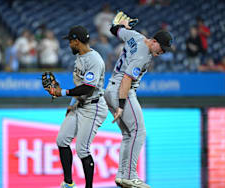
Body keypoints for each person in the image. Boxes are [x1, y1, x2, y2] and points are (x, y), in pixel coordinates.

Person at [104, 15, 174, 188]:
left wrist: (121, 25)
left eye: (165, 50)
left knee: (129, 135)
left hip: (111, 89)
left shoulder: (134, 35)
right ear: (154, 41)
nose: (162, 52)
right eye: (161, 47)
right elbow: (127, 80)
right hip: (123, 91)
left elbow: (114, 30)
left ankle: (122, 175)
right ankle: (130, 175)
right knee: (139, 132)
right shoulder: (143, 55)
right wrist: (120, 105)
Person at [45, 26, 108, 188]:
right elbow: (80, 85)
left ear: (76, 41)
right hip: (80, 104)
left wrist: (62, 92)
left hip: (93, 107)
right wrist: (71, 104)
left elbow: (88, 88)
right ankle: (68, 183)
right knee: (62, 140)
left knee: (82, 149)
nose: (69, 44)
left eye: (70, 41)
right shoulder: (80, 56)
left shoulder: (94, 60)